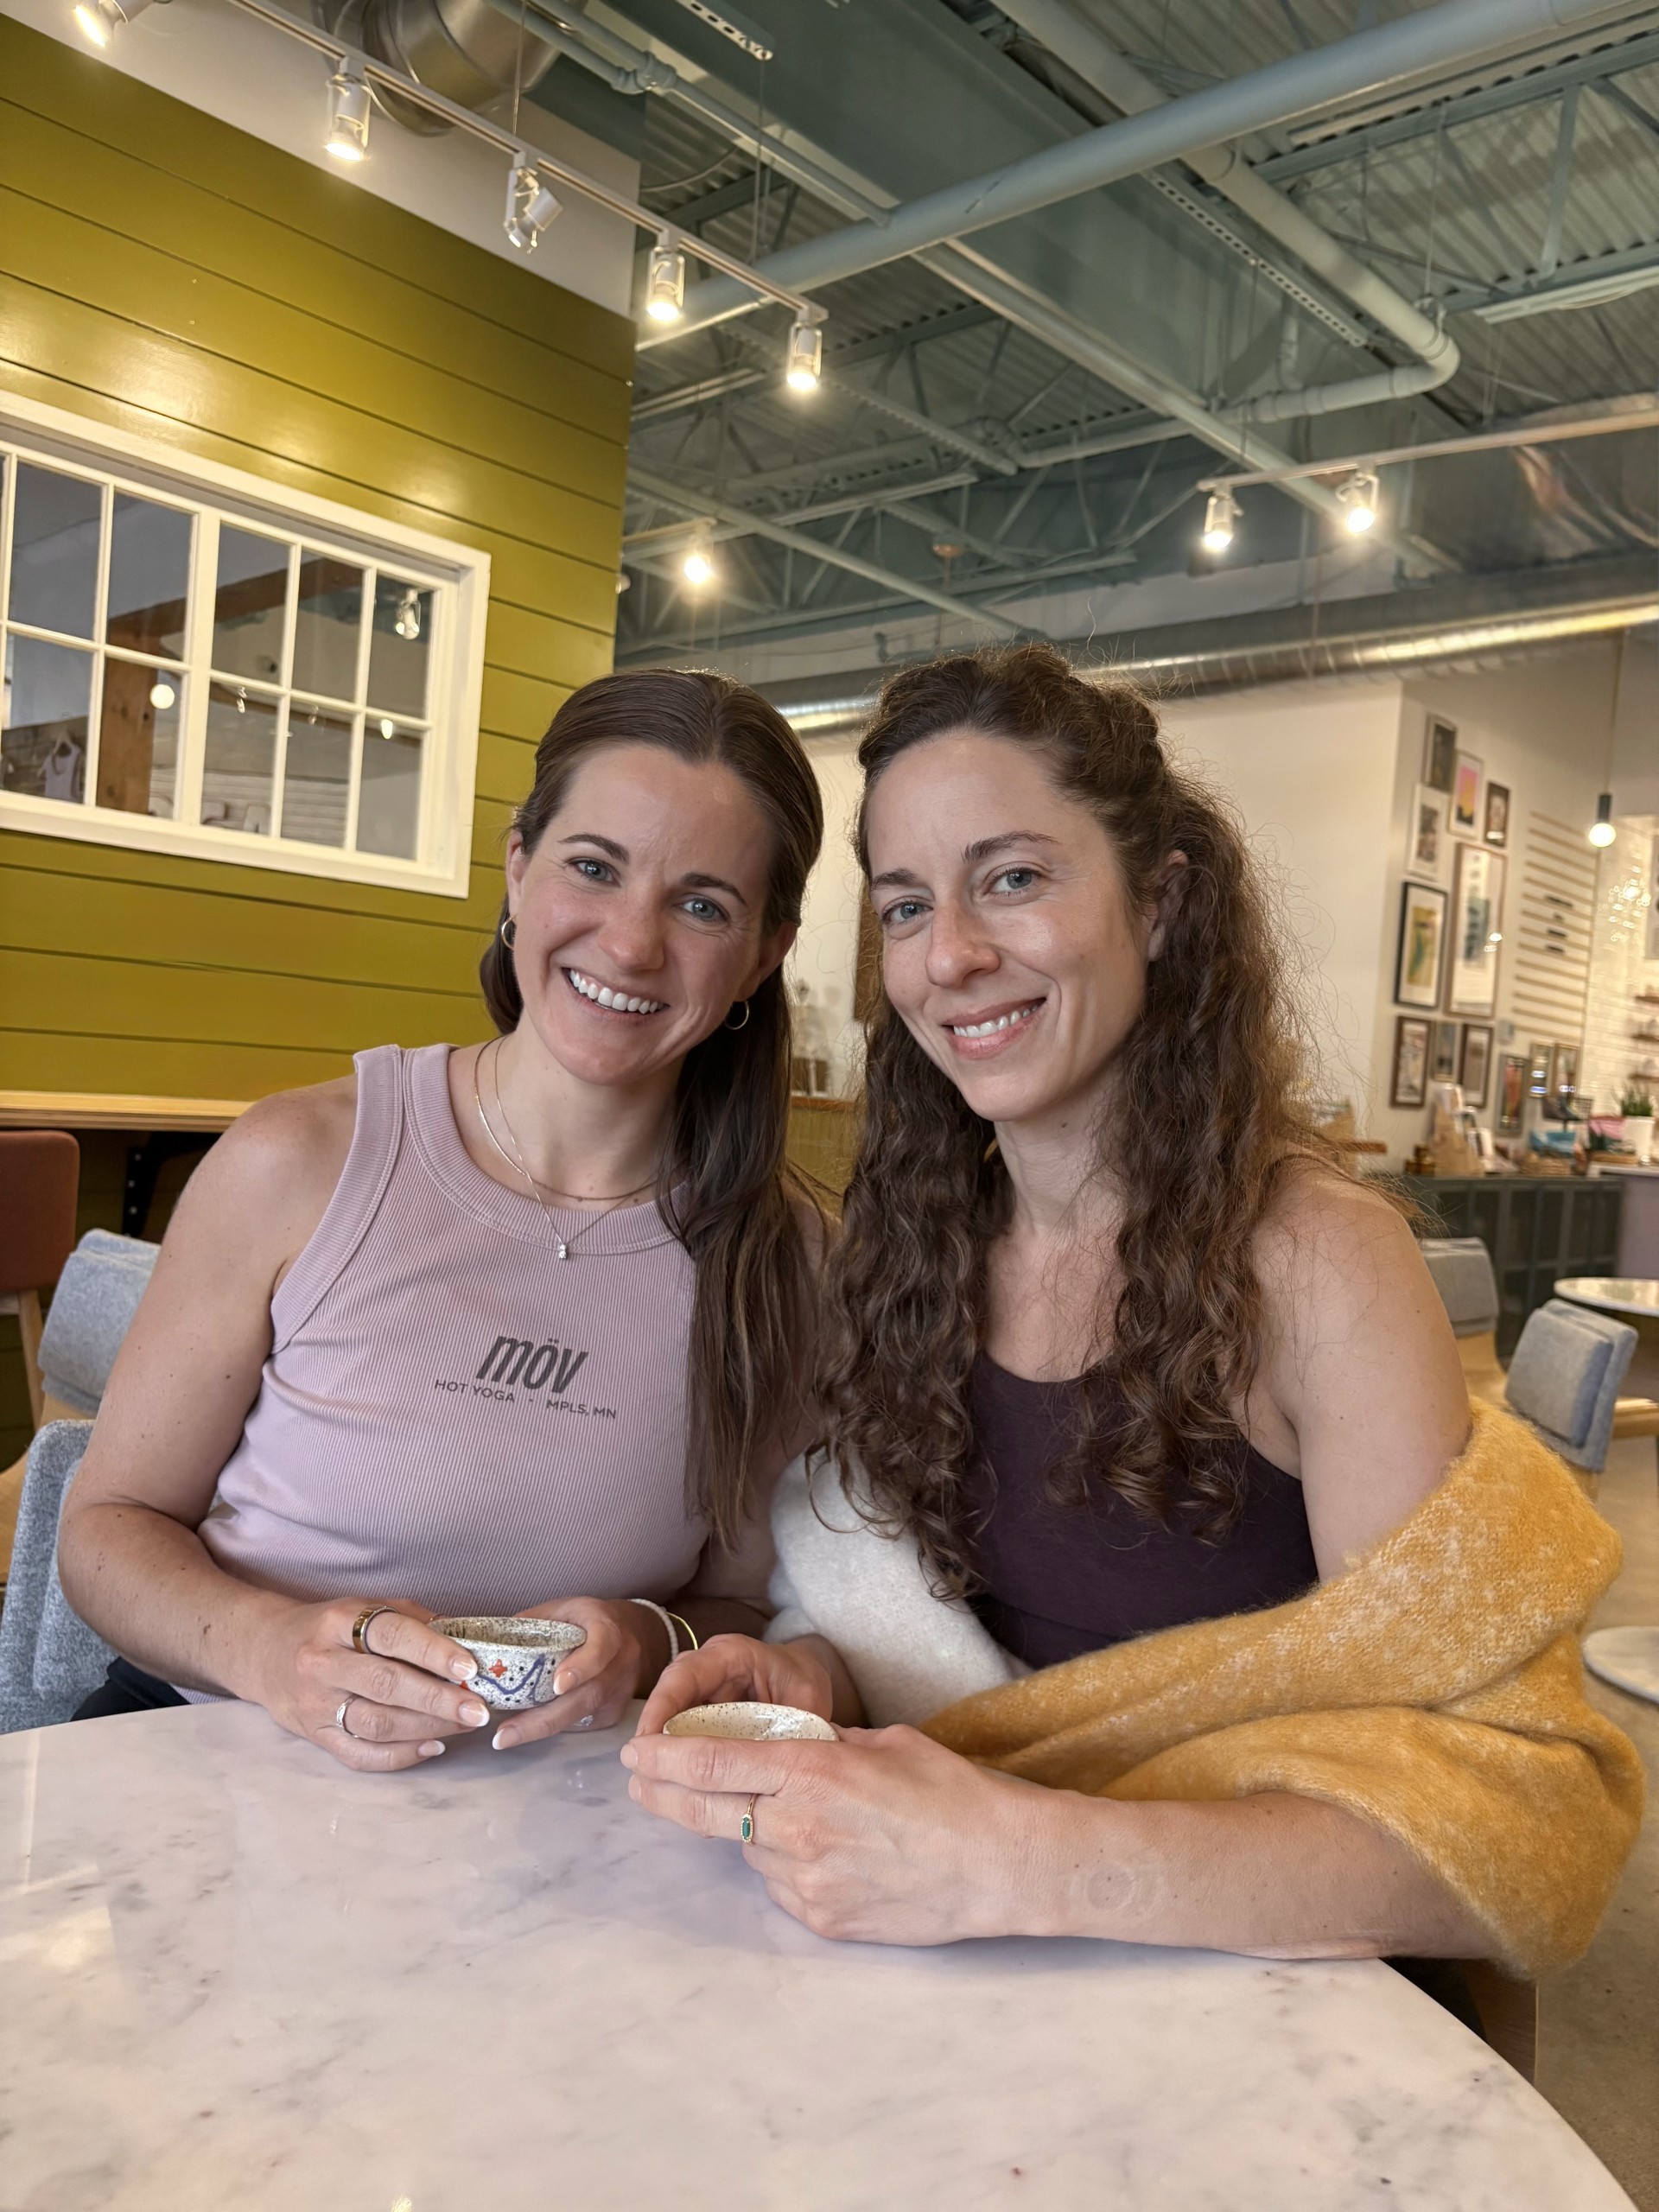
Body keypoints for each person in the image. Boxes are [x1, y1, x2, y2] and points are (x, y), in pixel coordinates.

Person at [623, 645, 1637, 1983]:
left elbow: (1513, 1811)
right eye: (909, 906)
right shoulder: (911, 1253)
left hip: (1237, 2004)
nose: (954, 957)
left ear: (1159, 904)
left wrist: (1014, 1856)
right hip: (944, 1968)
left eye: (1015, 879)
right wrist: (819, 1679)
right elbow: (991, 1674)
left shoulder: (1321, 1265)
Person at [59, 669, 824, 1771]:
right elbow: (105, 1530)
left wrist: (650, 1639)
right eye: (592, 868)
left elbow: (739, 1605)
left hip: (549, 1826)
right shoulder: (297, 1158)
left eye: (702, 904)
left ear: (765, 949)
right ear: (518, 866)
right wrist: (273, 1650)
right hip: (213, 1756)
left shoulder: (784, 1258)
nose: (631, 942)